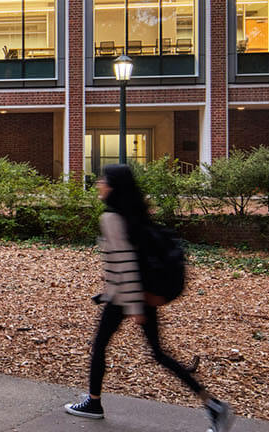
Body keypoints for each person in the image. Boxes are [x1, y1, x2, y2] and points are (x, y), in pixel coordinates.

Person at [65, 163, 233, 432]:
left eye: (103, 179)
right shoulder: (135, 211)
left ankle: (94, 404)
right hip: (136, 294)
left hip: (128, 297)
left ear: (113, 186)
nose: (99, 183)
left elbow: (125, 264)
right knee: (156, 353)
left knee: (104, 346)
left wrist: (134, 306)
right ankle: (212, 405)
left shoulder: (112, 217)